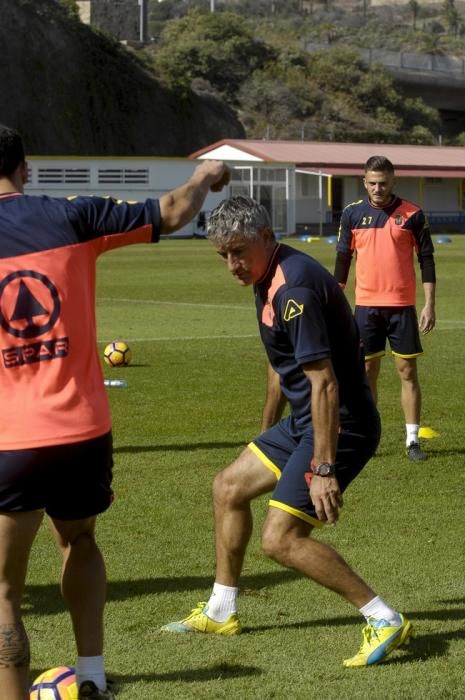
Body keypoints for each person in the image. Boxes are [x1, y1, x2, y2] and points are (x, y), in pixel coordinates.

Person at [0, 124, 230, 700]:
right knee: (78, 541)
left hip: (11, 437)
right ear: (24, 168)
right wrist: (204, 175)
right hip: (81, 430)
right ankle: (93, 676)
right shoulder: (70, 215)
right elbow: (174, 211)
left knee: (3, 591)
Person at [161, 195, 413, 667]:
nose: (232, 265)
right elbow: (282, 367)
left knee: (281, 540)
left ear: (266, 237)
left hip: (342, 426)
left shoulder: (292, 289)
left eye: (239, 251)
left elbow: (325, 384)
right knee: (228, 486)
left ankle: (383, 618)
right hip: (303, 422)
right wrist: (264, 436)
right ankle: (221, 610)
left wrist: (322, 467)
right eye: (223, 256)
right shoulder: (267, 275)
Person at [334, 155, 436, 462]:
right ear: (364, 182)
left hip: (402, 308)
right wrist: (336, 303)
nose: (378, 188)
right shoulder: (352, 214)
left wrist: (429, 304)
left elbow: (427, 260)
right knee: (366, 373)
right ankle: (367, 438)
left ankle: (413, 440)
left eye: (384, 183)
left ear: (394, 182)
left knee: (407, 371)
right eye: (373, 183)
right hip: (365, 308)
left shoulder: (413, 215)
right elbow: (342, 259)